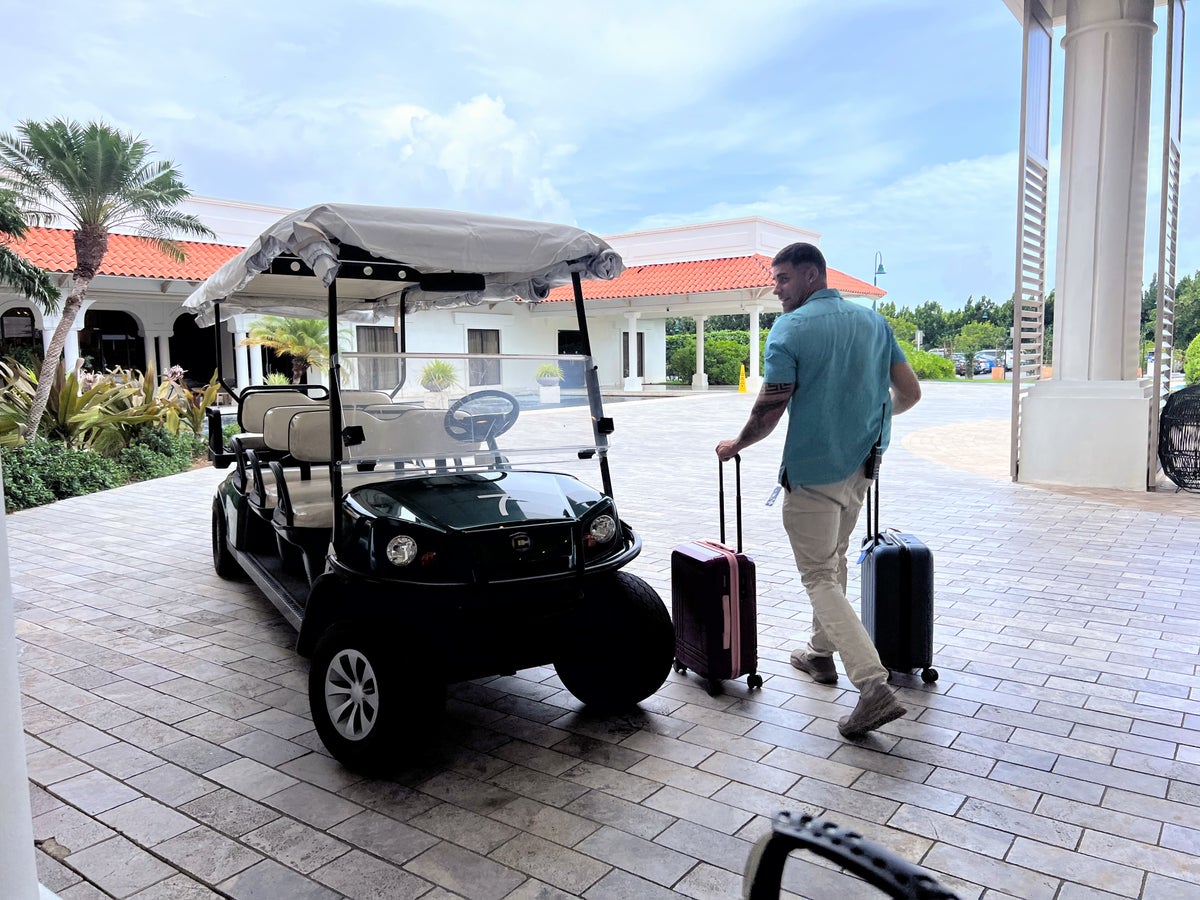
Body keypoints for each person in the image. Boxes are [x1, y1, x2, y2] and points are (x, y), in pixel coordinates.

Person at [716, 242, 922, 740]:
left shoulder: (791, 328)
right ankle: (819, 654)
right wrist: (863, 418)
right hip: (863, 467)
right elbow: (910, 393)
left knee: (818, 576)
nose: (776, 287)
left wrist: (736, 444)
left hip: (813, 473)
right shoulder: (874, 324)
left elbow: (770, 409)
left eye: (783, 278)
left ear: (811, 277)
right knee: (834, 562)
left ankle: (872, 687)